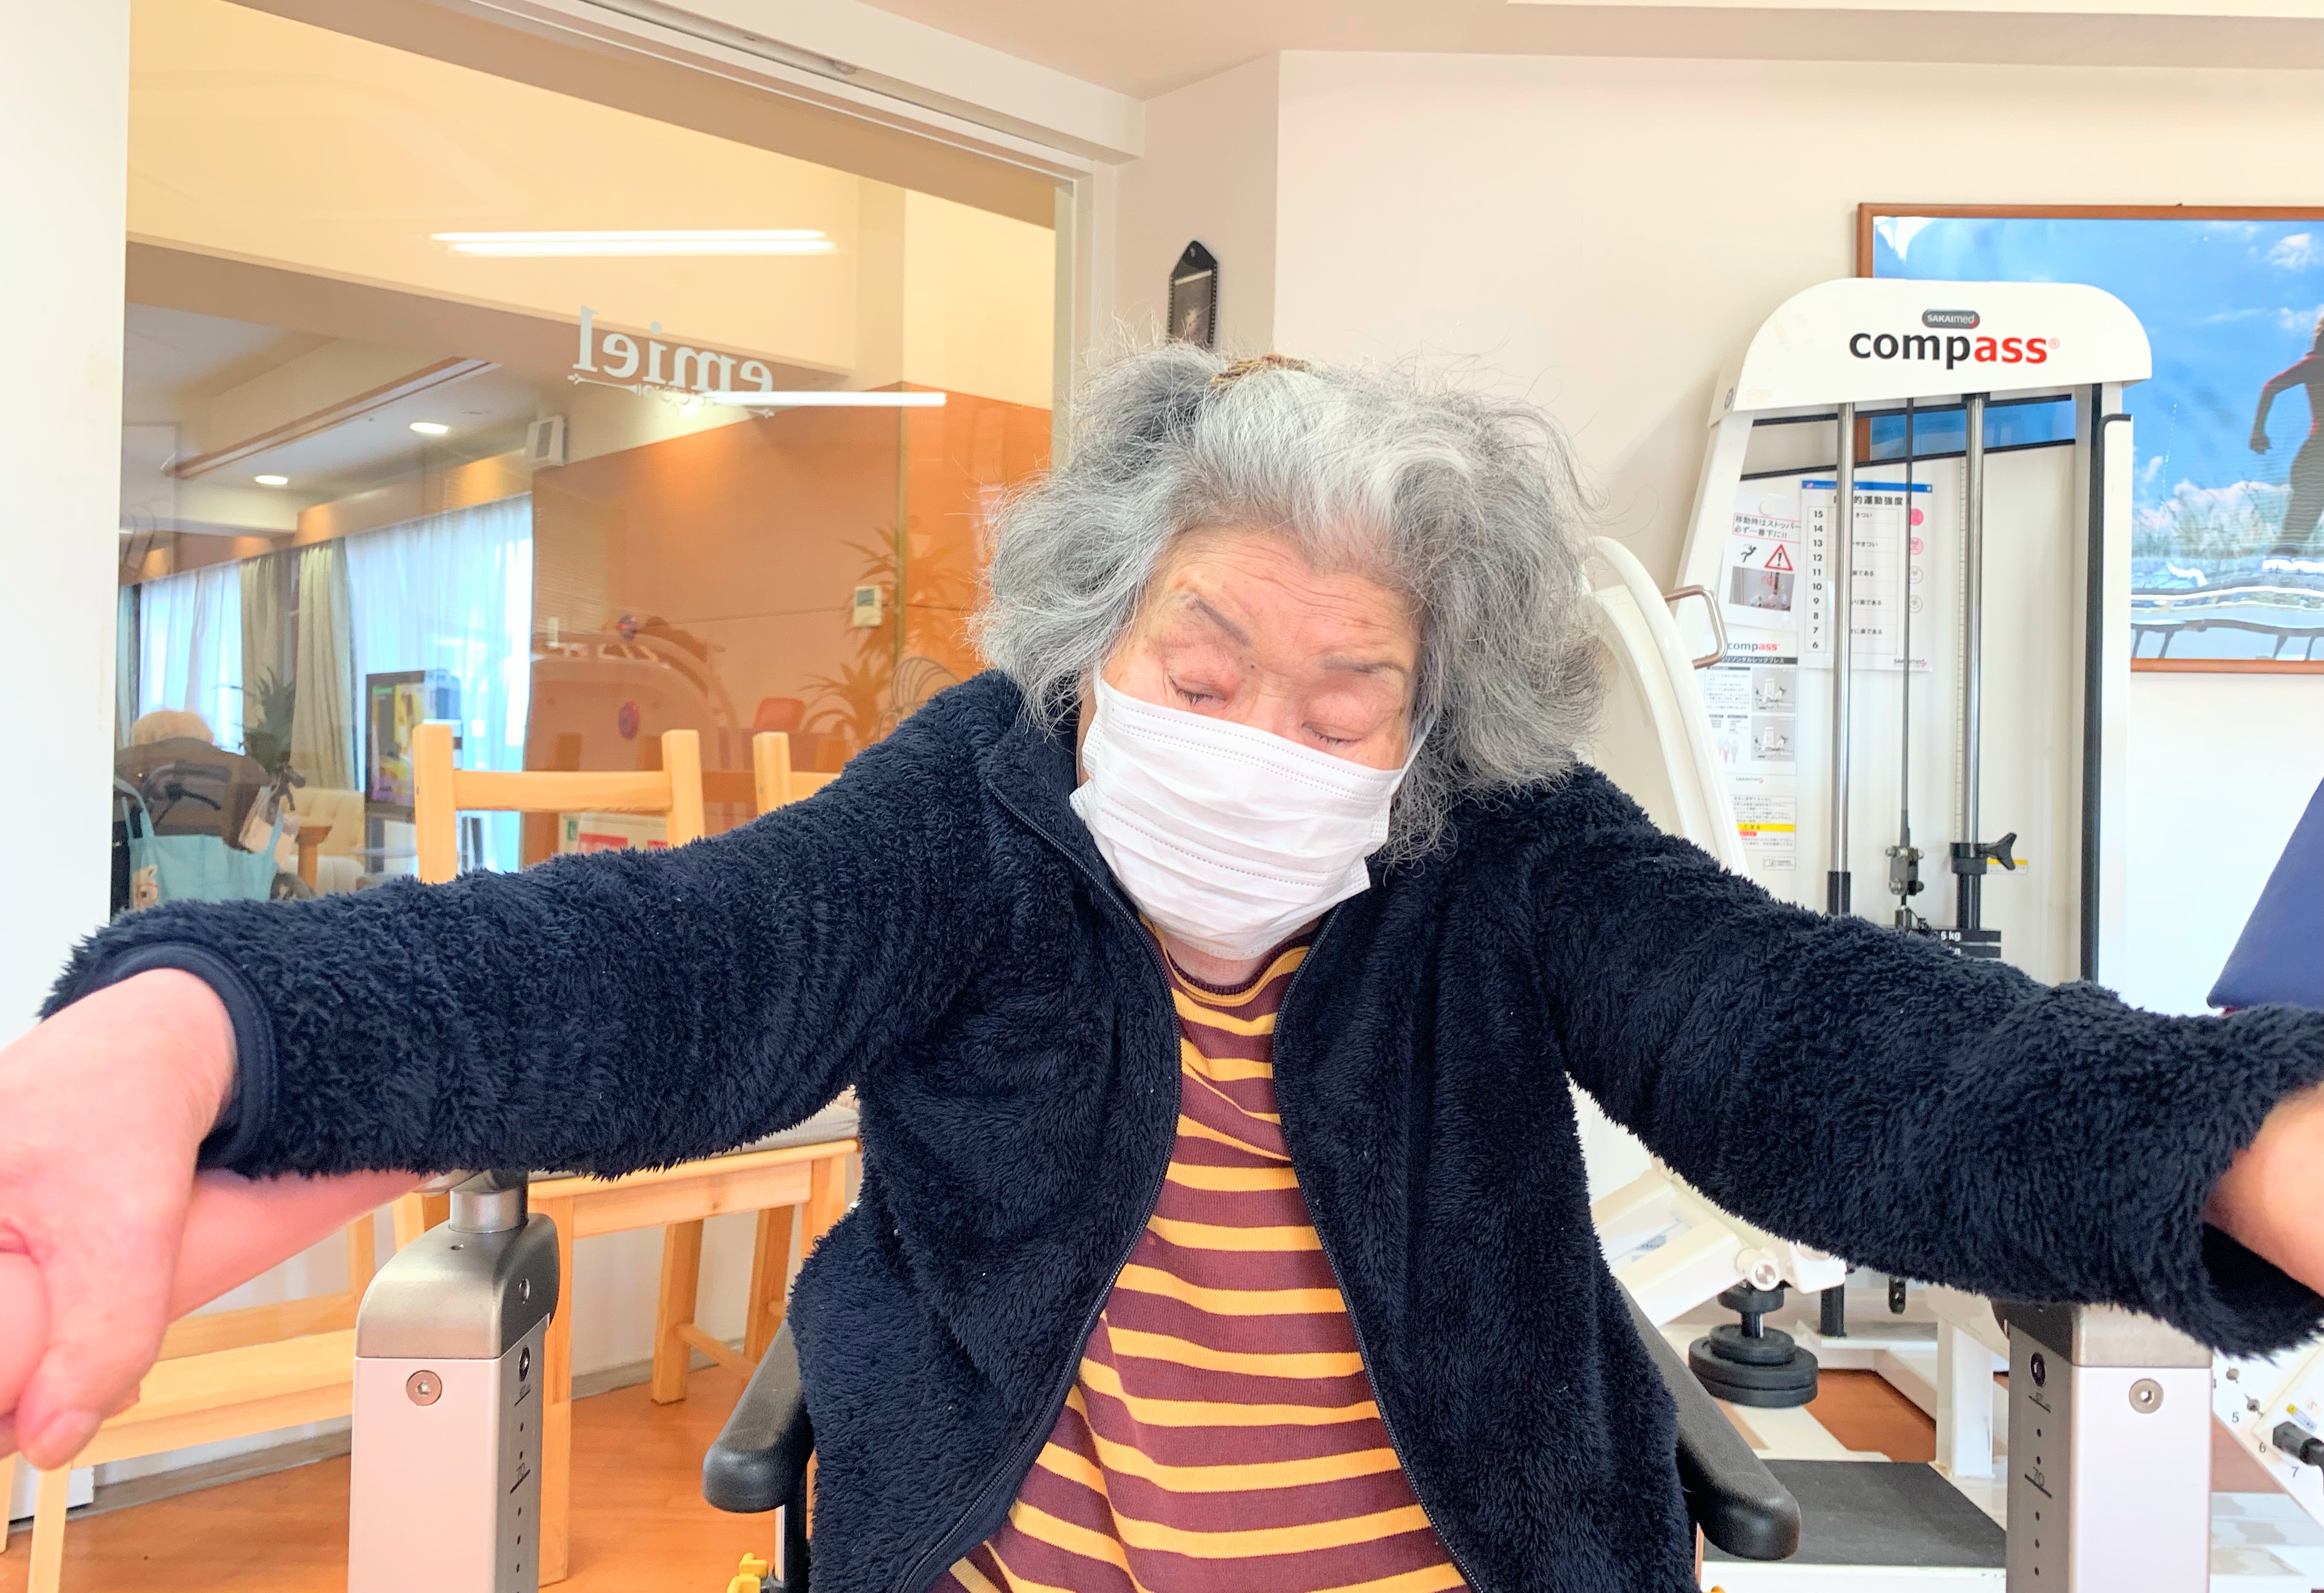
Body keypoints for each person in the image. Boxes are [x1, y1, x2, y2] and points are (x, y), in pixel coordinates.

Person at [9, 345, 2324, 1593]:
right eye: (1201, 663)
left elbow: (1811, 1040)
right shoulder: (978, 806)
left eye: (1345, 691)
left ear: (1432, 724)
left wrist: (2237, 1137)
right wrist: (195, 1020)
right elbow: (670, 968)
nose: (1258, 734)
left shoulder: (1505, 849)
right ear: (1092, 635)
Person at [2253, 310, 2324, 568]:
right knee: (2298, 527)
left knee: (2298, 527)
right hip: (2317, 458)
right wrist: (2258, 431)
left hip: (2314, 456)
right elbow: (2271, 387)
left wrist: (2258, 432)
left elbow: (2271, 387)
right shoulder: (2316, 365)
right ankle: (2275, 569)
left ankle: (2278, 566)